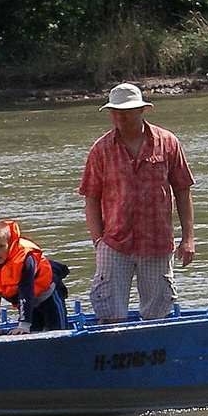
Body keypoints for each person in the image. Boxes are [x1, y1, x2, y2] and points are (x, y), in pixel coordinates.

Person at [78, 82, 196, 322]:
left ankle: (154, 355)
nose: (120, 117)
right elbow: (91, 196)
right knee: (109, 312)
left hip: (157, 242)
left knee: (157, 314)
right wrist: (98, 240)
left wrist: (188, 238)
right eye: (115, 112)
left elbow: (183, 189)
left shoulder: (168, 142)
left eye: (126, 111)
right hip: (114, 243)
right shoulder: (100, 149)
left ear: (142, 110)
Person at [0, 218, 67, 334]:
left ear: (9, 242)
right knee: (33, 331)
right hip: (26, 304)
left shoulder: (25, 258)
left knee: (57, 331)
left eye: (1, 247)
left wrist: (23, 324)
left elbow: (26, 291)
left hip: (48, 295)